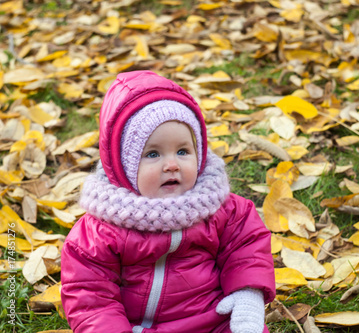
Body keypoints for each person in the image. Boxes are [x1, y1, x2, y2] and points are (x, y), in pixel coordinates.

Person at [60, 70, 276, 333]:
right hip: (136, 327)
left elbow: (247, 249)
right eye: (153, 154)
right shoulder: (98, 233)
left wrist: (247, 294)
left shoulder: (224, 209)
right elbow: (91, 297)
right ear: (124, 167)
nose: (172, 165)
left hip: (212, 319)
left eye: (183, 151)